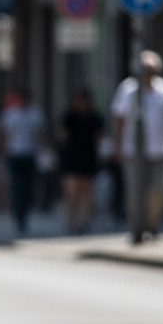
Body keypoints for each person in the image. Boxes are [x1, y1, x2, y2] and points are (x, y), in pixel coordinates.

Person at [110, 50, 163, 244]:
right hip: (132, 151)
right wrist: (117, 146)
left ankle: (152, 226)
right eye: (144, 69)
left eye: (151, 69)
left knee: (159, 190)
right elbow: (119, 120)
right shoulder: (128, 90)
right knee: (134, 191)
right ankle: (136, 229)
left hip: (160, 149)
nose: (147, 73)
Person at [0, 86, 47, 235]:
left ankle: (24, 215)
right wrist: (1, 151)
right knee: (16, 186)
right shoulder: (10, 113)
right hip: (14, 154)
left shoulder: (35, 113)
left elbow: (40, 134)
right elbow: (5, 134)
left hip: (30, 155)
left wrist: (43, 151)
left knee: (27, 187)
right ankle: (17, 214)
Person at [58, 86, 104, 234]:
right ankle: (72, 220)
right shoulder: (69, 117)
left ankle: (84, 220)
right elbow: (63, 137)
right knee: (72, 192)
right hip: (71, 158)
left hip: (88, 158)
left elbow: (100, 139)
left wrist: (101, 155)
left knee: (87, 191)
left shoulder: (95, 118)